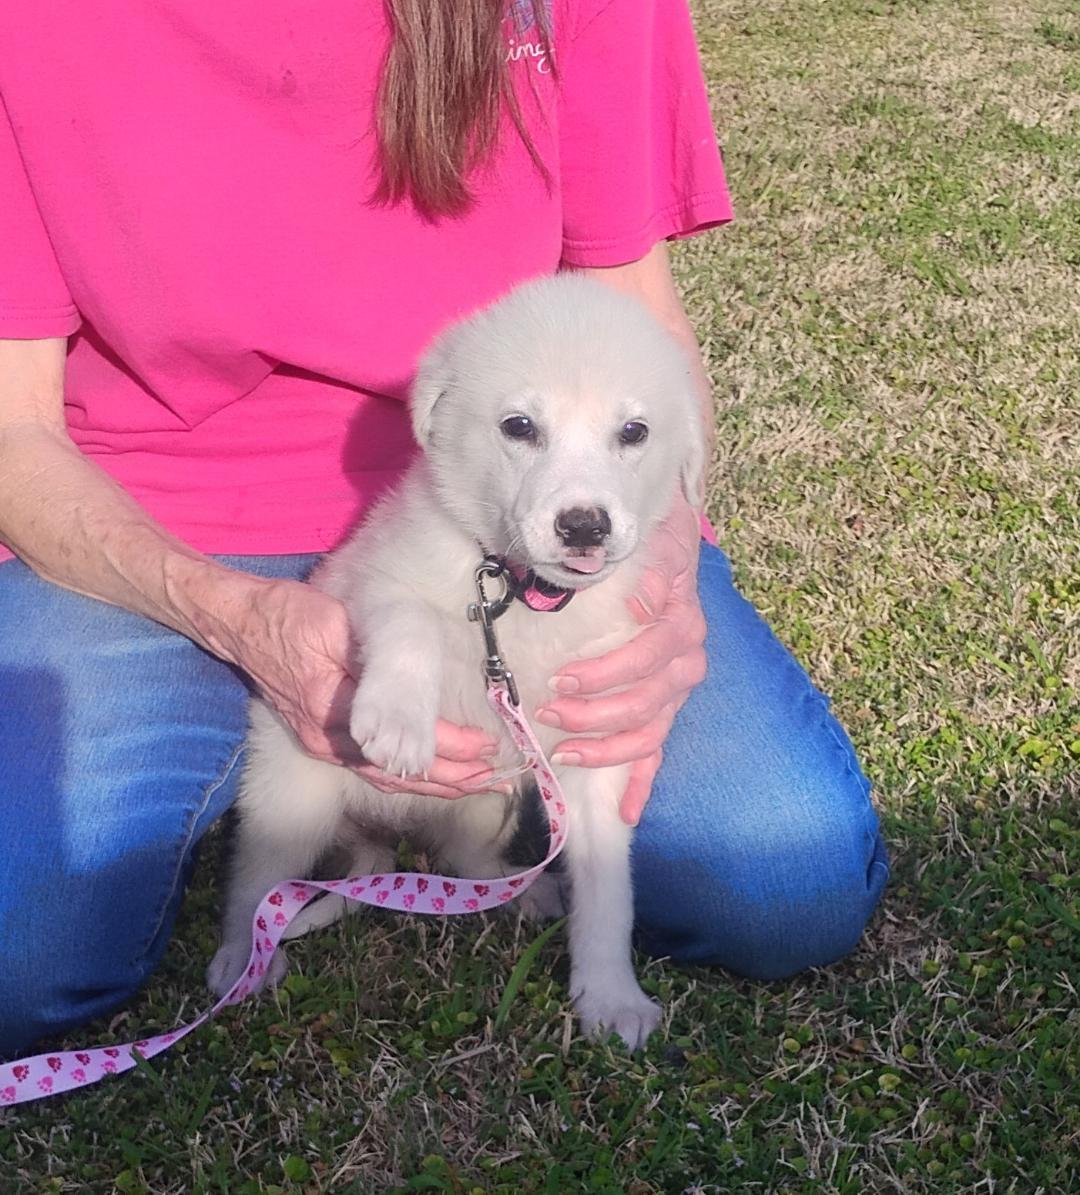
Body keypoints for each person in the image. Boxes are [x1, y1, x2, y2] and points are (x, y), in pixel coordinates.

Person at [0, 1, 888, 1060]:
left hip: (499, 501)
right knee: (19, 956)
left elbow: (633, 310)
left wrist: (662, 584)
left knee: (786, 880)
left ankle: (438, 836)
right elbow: (15, 429)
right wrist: (234, 618)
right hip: (156, 518)